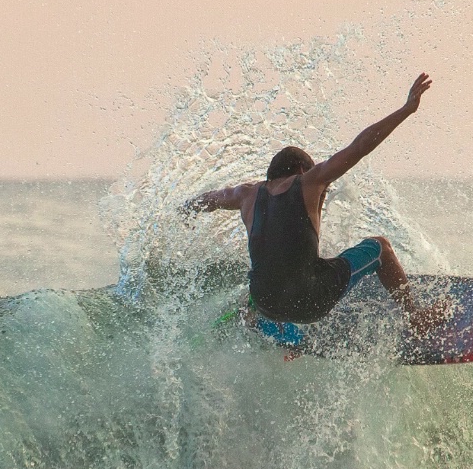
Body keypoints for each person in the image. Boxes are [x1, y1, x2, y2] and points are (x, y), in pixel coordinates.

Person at [185, 73, 443, 330]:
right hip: (310, 302)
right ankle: (415, 317)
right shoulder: (309, 181)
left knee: (268, 271)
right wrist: (406, 110)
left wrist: (185, 210)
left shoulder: (245, 195)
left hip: (267, 304)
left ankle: (253, 317)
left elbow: (208, 200)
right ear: (301, 169)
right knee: (381, 248)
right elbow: (361, 146)